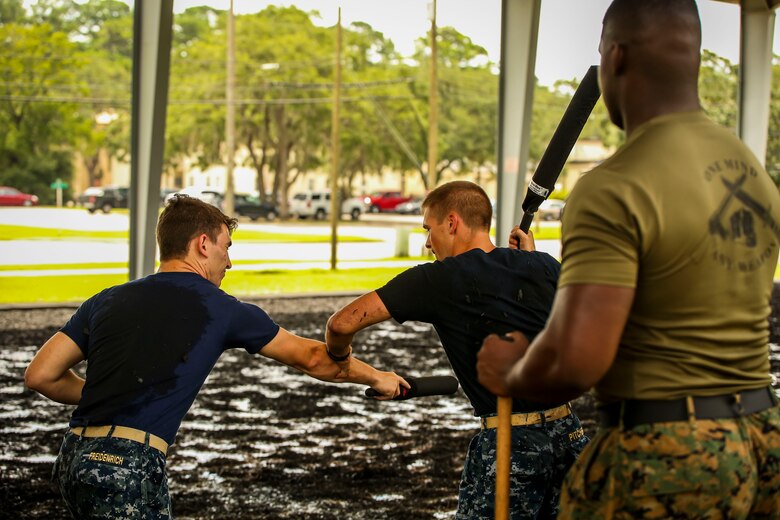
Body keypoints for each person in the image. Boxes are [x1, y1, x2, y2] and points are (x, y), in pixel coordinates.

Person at [476, 1, 780, 517]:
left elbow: (577, 360)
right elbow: (681, 277)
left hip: (669, 456)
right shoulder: (747, 169)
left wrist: (515, 371)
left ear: (614, 57)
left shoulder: (612, 186)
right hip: (762, 439)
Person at [24, 194, 408, 519]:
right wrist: (376, 376)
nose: (229, 263)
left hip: (73, 458)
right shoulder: (222, 309)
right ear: (203, 244)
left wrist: (106, 394)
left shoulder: (106, 298)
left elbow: (41, 374)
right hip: (128, 465)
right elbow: (312, 357)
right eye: (226, 248)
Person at [326, 180, 588, 519]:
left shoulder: (438, 279)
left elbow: (341, 324)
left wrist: (340, 360)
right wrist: (534, 261)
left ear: (451, 223)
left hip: (510, 446)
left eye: (428, 229)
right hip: (569, 436)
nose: (426, 243)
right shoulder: (543, 266)